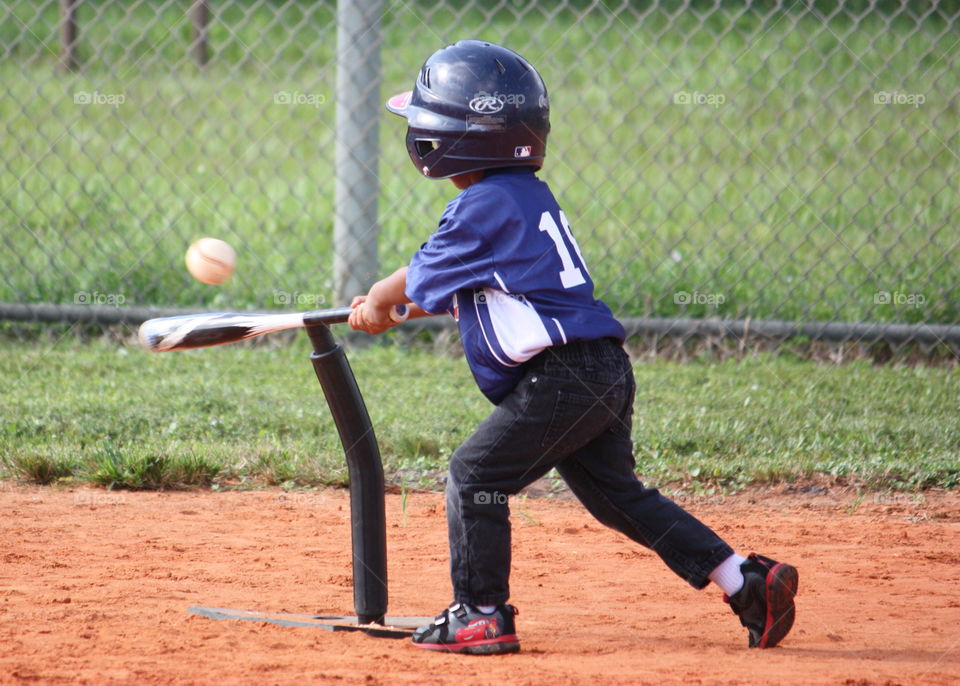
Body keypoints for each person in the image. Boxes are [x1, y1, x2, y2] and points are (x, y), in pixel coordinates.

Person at [348, 40, 798, 655]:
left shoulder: (482, 205)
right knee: (617, 497)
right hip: (599, 370)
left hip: (559, 377)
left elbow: (418, 277)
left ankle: (481, 614)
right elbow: (466, 288)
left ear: (453, 139)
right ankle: (745, 581)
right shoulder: (523, 195)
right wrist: (399, 309)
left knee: (475, 476)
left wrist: (380, 299)